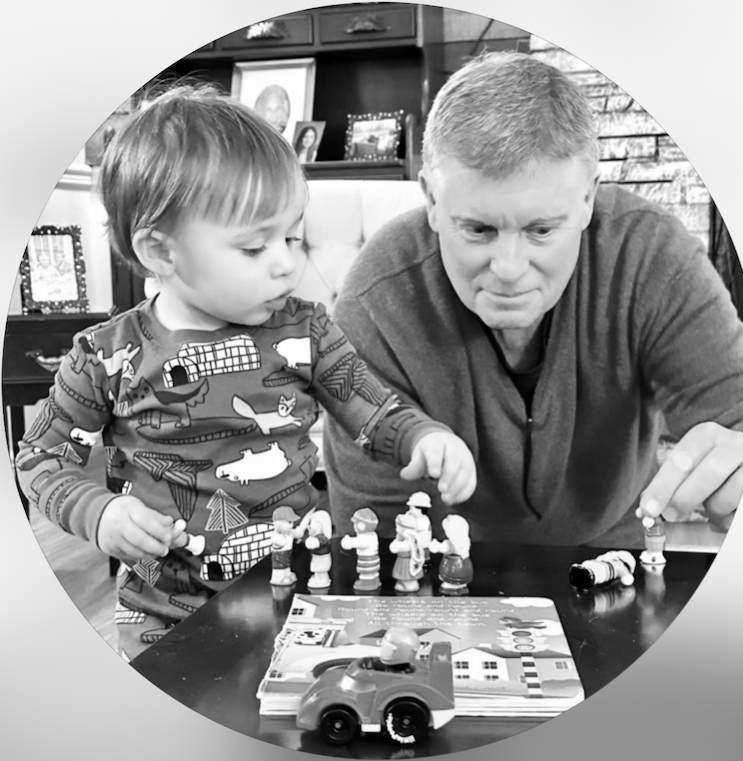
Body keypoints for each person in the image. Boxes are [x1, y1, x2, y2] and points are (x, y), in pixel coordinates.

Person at [14, 84, 476, 660]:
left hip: (299, 596)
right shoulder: (104, 356)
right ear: (161, 252)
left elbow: (374, 411)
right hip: (164, 616)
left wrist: (424, 436)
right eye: (255, 248)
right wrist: (98, 512)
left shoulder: (307, 331)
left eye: (292, 237)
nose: (286, 263)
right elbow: (37, 457)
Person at [324, 51, 743, 547]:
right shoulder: (375, 302)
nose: (509, 269)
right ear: (432, 201)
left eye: (542, 230)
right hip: (446, 567)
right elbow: (374, 541)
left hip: (617, 552)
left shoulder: (652, 258)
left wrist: (742, 470)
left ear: (588, 199)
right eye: (478, 229)